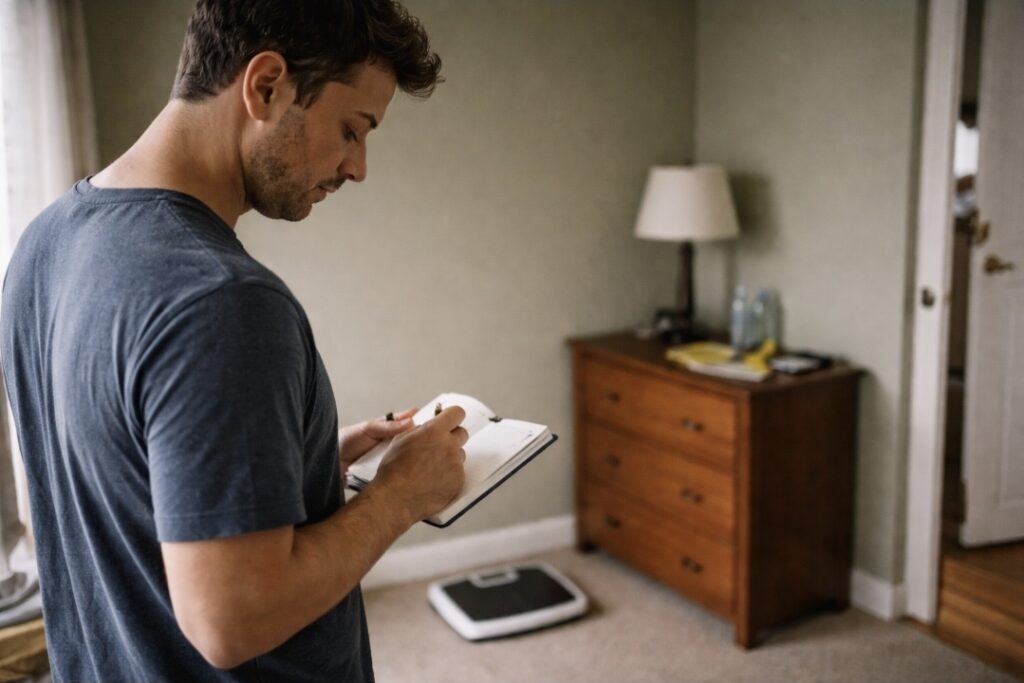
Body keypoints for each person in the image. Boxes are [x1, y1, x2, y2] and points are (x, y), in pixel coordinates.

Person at [0, 1, 467, 680]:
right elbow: (232, 617)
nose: (359, 166)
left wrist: (299, 470)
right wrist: (397, 497)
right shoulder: (223, 300)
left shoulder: (44, 243)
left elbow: (123, 478)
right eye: (352, 128)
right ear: (266, 84)